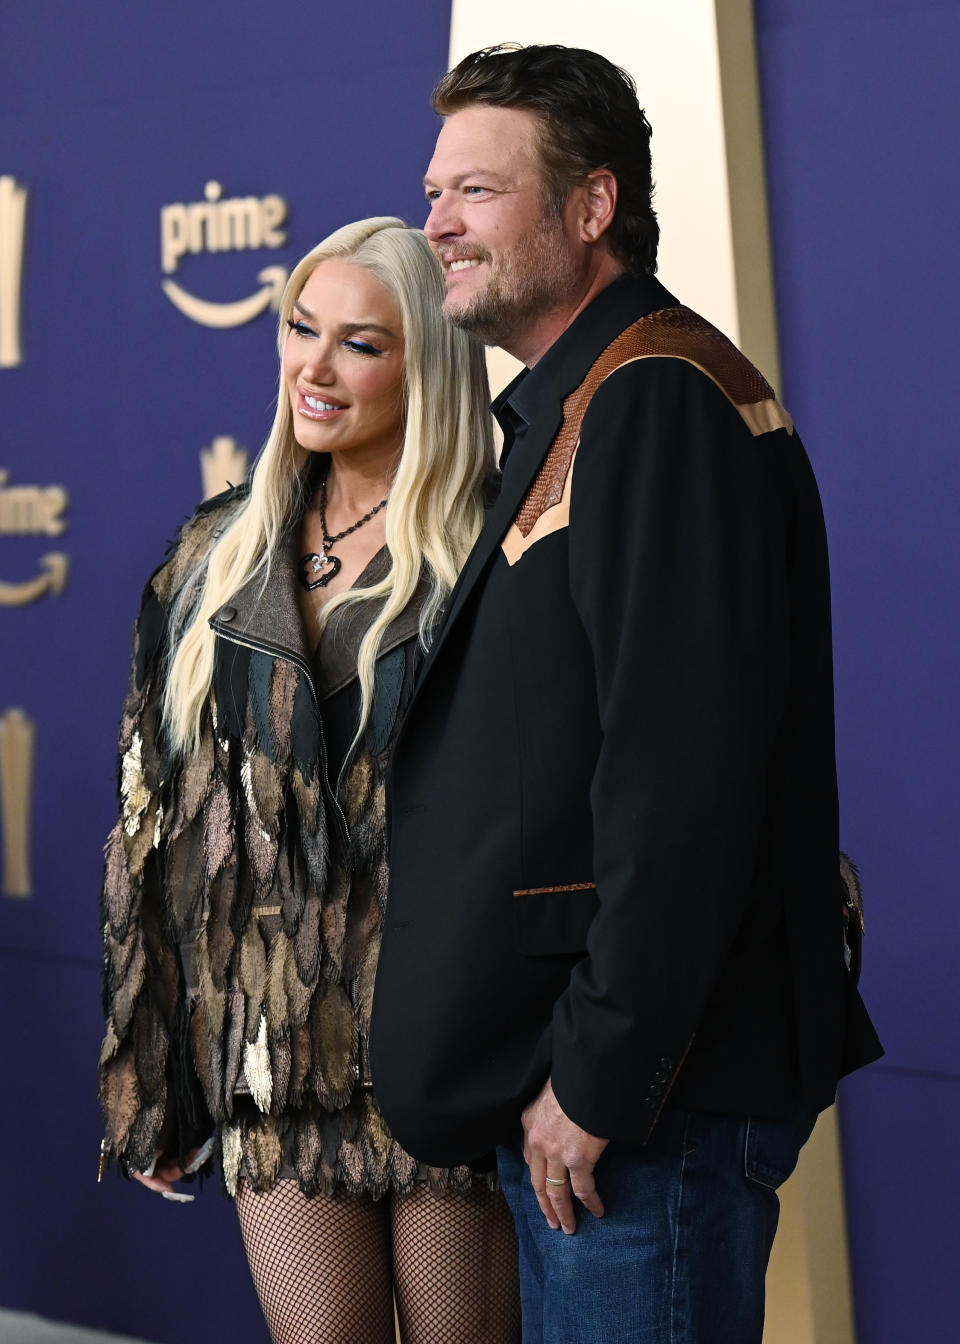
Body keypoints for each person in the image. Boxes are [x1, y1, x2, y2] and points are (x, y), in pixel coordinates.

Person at [369, 45, 883, 1344]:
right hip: (597, 1089)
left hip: (646, 1108)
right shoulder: (574, 398)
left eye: (476, 192)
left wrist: (602, 1076)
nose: (435, 223)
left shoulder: (656, 398)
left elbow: (682, 782)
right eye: (434, 191)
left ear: (591, 206)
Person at [98, 216, 521, 1344]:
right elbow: (156, 823)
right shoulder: (213, 554)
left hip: (448, 1047)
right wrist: (154, 1063)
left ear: (427, 362)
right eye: (300, 329)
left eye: (360, 344)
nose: (314, 368)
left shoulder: (496, 551)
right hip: (276, 1053)